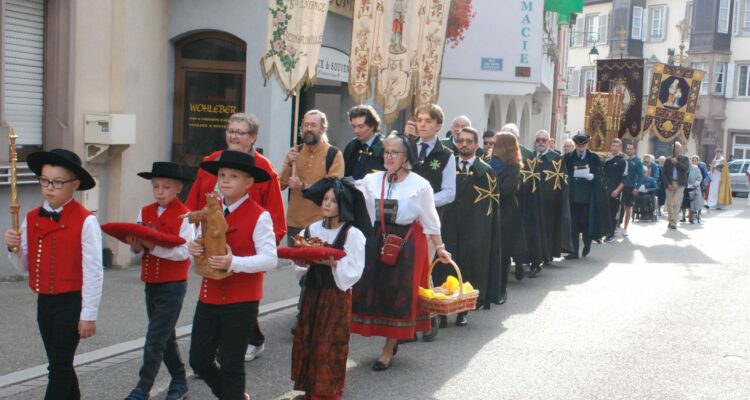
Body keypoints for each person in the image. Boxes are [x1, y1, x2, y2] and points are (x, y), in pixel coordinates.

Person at [185, 112, 286, 363]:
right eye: (230, 130)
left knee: (241, 299)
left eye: (240, 132)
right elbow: (194, 204)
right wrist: (194, 239)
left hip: (248, 243)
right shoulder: (212, 162)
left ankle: (250, 341)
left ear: (252, 138)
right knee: (218, 298)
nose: (233, 135)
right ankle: (219, 352)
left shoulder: (264, 171)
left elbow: (275, 217)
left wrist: (261, 252)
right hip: (212, 245)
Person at [4, 149, 103, 400]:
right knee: (61, 363)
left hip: (71, 302)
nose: (49, 187)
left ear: (74, 185)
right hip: (44, 302)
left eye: (58, 182)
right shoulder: (31, 217)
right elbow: (23, 266)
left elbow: (94, 271)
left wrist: (88, 315)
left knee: (57, 368)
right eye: (44, 180)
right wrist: (13, 248)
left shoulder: (86, 221)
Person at [350, 133, 452, 370]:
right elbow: (350, 194)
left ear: (406, 157)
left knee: (398, 296)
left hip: (405, 243)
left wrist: (440, 247)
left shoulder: (419, 185)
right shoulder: (371, 181)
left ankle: (389, 347)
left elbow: (430, 220)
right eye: (386, 152)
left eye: (394, 152)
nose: (388, 157)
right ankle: (383, 337)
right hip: (376, 241)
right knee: (375, 291)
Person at [187, 151, 278, 400]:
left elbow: (270, 259)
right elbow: (196, 241)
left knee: (231, 363)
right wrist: (193, 247)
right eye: (222, 175)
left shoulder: (260, 215)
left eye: (234, 176)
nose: (225, 181)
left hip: (241, 300)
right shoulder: (209, 210)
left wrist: (233, 262)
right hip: (209, 296)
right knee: (199, 360)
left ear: (249, 183)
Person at [291, 178, 369, 400]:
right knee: (308, 337)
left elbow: (355, 269)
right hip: (312, 292)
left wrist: (334, 263)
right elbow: (298, 264)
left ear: (343, 205)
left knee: (329, 342)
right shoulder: (311, 229)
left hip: (334, 295)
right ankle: (309, 386)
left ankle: (327, 391)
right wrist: (303, 264)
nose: (326, 204)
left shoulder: (352, 234)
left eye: (333, 201)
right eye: (325, 199)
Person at [125, 162, 195, 400]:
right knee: (165, 335)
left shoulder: (185, 215)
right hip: (151, 282)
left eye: (166, 187)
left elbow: (183, 253)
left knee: (155, 337)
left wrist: (151, 246)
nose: (160, 192)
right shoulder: (144, 212)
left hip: (173, 284)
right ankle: (179, 379)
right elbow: (138, 247)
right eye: (156, 187)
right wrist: (136, 247)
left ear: (178, 188)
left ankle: (142, 388)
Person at [438, 127, 501, 323]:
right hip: (449, 225)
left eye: (468, 141)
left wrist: (478, 230)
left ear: (476, 145)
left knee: (468, 267)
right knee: (445, 266)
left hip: (473, 228)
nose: (464, 144)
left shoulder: (485, 171)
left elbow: (489, 204)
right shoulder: (448, 167)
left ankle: (463, 311)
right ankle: (441, 310)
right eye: (460, 140)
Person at [404, 104, 456, 341]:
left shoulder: (445, 155)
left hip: (429, 222)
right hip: (405, 220)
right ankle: (408, 321)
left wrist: (424, 202)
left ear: (438, 125)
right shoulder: (407, 149)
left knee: (424, 270)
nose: (422, 124)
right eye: (420, 120)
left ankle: (429, 317)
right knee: (406, 272)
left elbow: (449, 192)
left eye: (428, 121)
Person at [280, 109, 345, 241]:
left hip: (321, 223)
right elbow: (280, 185)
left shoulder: (334, 154)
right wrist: (290, 164)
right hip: (295, 223)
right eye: (306, 125)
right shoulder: (294, 152)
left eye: (313, 125)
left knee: (317, 262)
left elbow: (333, 187)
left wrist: (303, 186)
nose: (308, 129)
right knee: (296, 262)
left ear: (323, 128)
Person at [488, 132, 523, 305]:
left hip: (506, 214)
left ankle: (501, 289)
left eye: (495, 143)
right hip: (487, 212)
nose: (492, 146)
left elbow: (506, 190)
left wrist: (487, 192)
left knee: (503, 253)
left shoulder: (513, 167)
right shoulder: (487, 163)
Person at [563, 134, 612, 259]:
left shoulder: (593, 157)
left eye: (583, 145)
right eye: (579, 145)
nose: (581, 148)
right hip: (572, 195)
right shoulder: (568, 157)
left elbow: (600, 174)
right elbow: (563, 173)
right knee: (573, 224)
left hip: (588, 196)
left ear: (586, 145)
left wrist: (593, 176)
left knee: (585, 223)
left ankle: (587, 244)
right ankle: (573, 251)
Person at [533, 130, 573, 261]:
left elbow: (564, 179)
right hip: (533, 200)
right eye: (538, 140)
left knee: (549, 228)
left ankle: (547, 254)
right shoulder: (530, 158)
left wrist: (562, 198)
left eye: (543, 140)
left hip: (550, 200)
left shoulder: (556, 159)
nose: (540, 143)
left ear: (549, 142)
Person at [342, 105, 385, 179]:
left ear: (372, 126)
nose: (356, 131)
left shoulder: (384, 147)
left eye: (361, 126)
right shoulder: (351, 146)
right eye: (354, 126)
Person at [661, 141, 691, 229]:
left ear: (681, 149)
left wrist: (676, 163)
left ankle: (674, 222)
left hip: (680, 184)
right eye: (674, 147)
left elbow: (685, 169)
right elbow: (664, 173)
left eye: (678, 147)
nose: (676, 149)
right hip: (670, 183)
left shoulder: (685, 159)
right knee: (670, 203)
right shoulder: (668, 160)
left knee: (677, 203)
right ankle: (670, 220)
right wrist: (667, 184)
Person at [603, 139, 627, 242]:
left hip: (615, 192)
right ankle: (602, 232)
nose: (614, 148)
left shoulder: (623, 161)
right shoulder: (607, 160)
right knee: (604, 211)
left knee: (613, 213)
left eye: (617, 146)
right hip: (605, 190)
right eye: (613, 146)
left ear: (620, 148)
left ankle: (611, 234)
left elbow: (624, 179)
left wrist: (617, 190)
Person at [621, 143, 643, 235]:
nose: (629, 150)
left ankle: (625, 228)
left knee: (628, 207)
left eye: (631, 149)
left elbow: (641, 176)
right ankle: (616, 225)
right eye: (627, 148)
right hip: (621, 185)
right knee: (618, 206)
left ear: (634, 150)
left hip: (630, 187)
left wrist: (637, 187)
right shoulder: (623, 159)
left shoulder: (638, 161)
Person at [681, 158, 704, 224]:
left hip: (692, 188)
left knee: (691, 202)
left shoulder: (695, 168)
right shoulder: (682, 169)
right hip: (683, 187)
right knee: (683, 202)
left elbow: (699, 178)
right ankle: (683, 217)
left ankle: (691, 217)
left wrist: (696, 183)